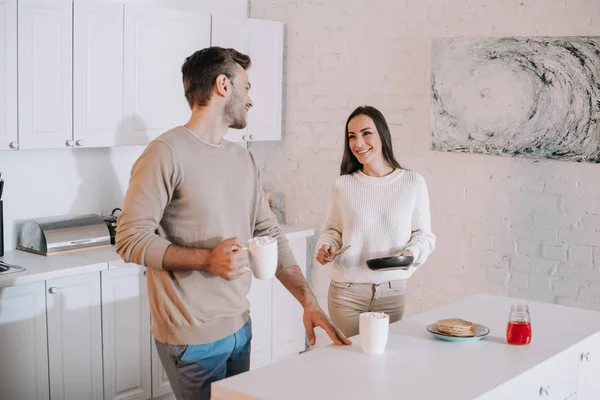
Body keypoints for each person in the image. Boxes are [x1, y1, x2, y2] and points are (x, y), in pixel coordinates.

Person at [116, 47, 350, 400]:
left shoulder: (243, 159)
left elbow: (270, 232)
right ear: (223, 85)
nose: (251, 100)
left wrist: (309, 301)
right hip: (191, 338)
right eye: (247, 87)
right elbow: (130, 239)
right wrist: (207, 260)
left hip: (240, 327)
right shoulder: (164, 153)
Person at [315, 105, 436, 338]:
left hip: (392, 291)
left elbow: (424, 235)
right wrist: (326, 246)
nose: (358, 142)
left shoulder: (413, 183)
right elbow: (332, 231)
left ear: (382, 134)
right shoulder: (344, 185)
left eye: (366, 133)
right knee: (347, 362)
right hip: (346, 292)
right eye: (352, 136)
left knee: (383, 365)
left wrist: (412, 253)